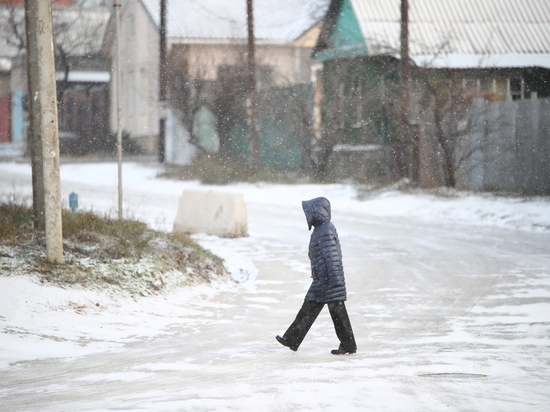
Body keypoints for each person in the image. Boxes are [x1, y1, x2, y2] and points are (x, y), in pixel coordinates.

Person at [276, 197, 357, 355]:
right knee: (318, 308)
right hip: (324, 279)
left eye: (309, 212)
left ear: (317, 212)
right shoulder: (322, 228)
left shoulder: (325, 229)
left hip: (328, 280)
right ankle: (293, 339)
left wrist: (335, 281)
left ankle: (293, 338)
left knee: (325, 310)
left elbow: (332, 256)